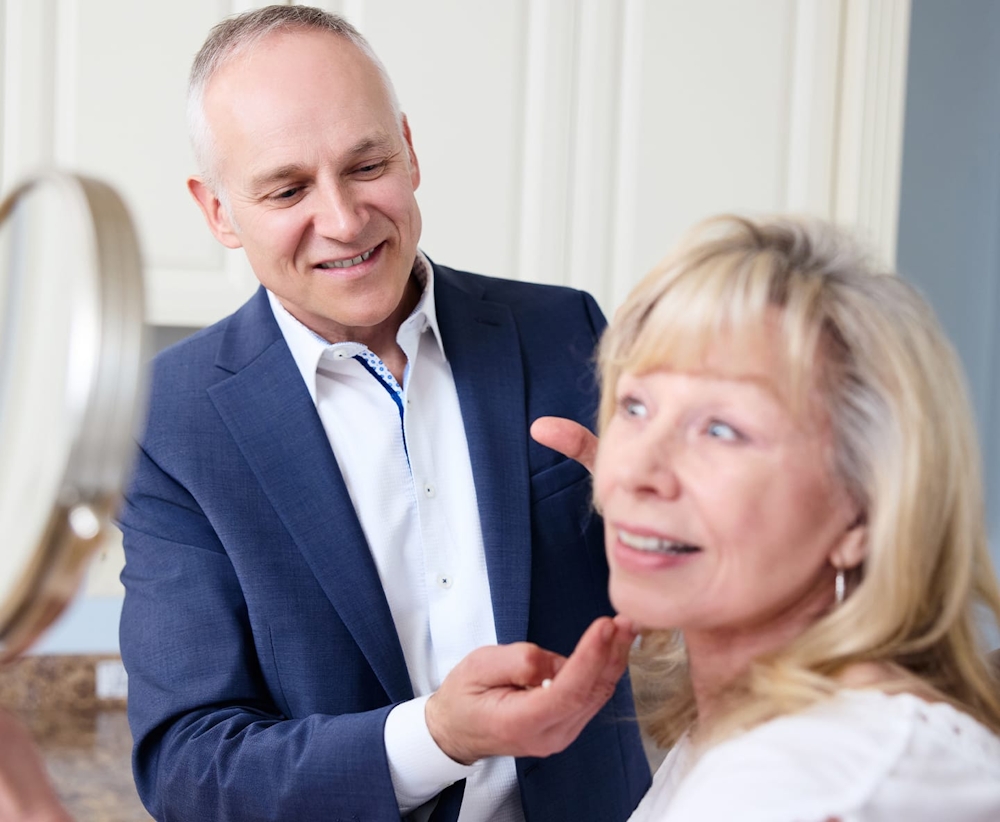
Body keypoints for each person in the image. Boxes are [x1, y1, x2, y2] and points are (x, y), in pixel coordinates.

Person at [117, 5, 650, 822]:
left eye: (367, 165)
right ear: (218, 211)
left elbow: (684, 606)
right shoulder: (169, 422)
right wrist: (436, 736)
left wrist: (665, 542)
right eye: (288, 187)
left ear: (409, 149)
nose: (342, 219)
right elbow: (192, 770)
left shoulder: (565, 330)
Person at [584, 214, 1000, 820]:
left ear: (864, 508)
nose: (635, 471)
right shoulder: (753, 727)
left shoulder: (803, 780)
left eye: (721, 429)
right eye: (636, 405)